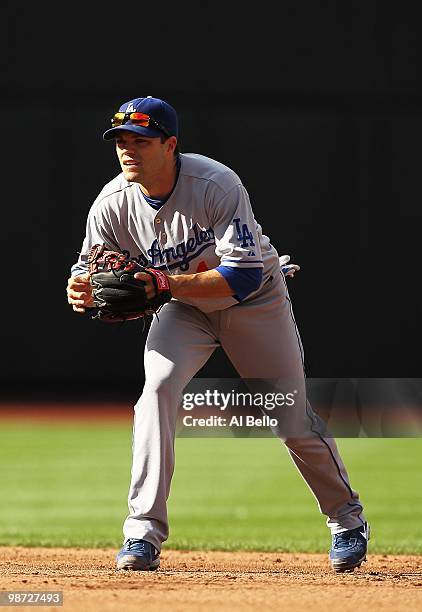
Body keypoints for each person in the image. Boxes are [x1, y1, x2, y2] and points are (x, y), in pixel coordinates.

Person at [66, 96, 370, 573]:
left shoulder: (214, 183)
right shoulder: (111, 204)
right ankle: (141, 533)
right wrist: (81, 289)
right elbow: (87, 270)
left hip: (254, 303)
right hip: (184, 309)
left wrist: (164, 283)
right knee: (157, 392)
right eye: (121, 141)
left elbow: (244, 276)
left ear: (170, 145)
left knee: (288, 417)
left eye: (140, 141)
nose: (128, 150)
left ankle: (347, 520)